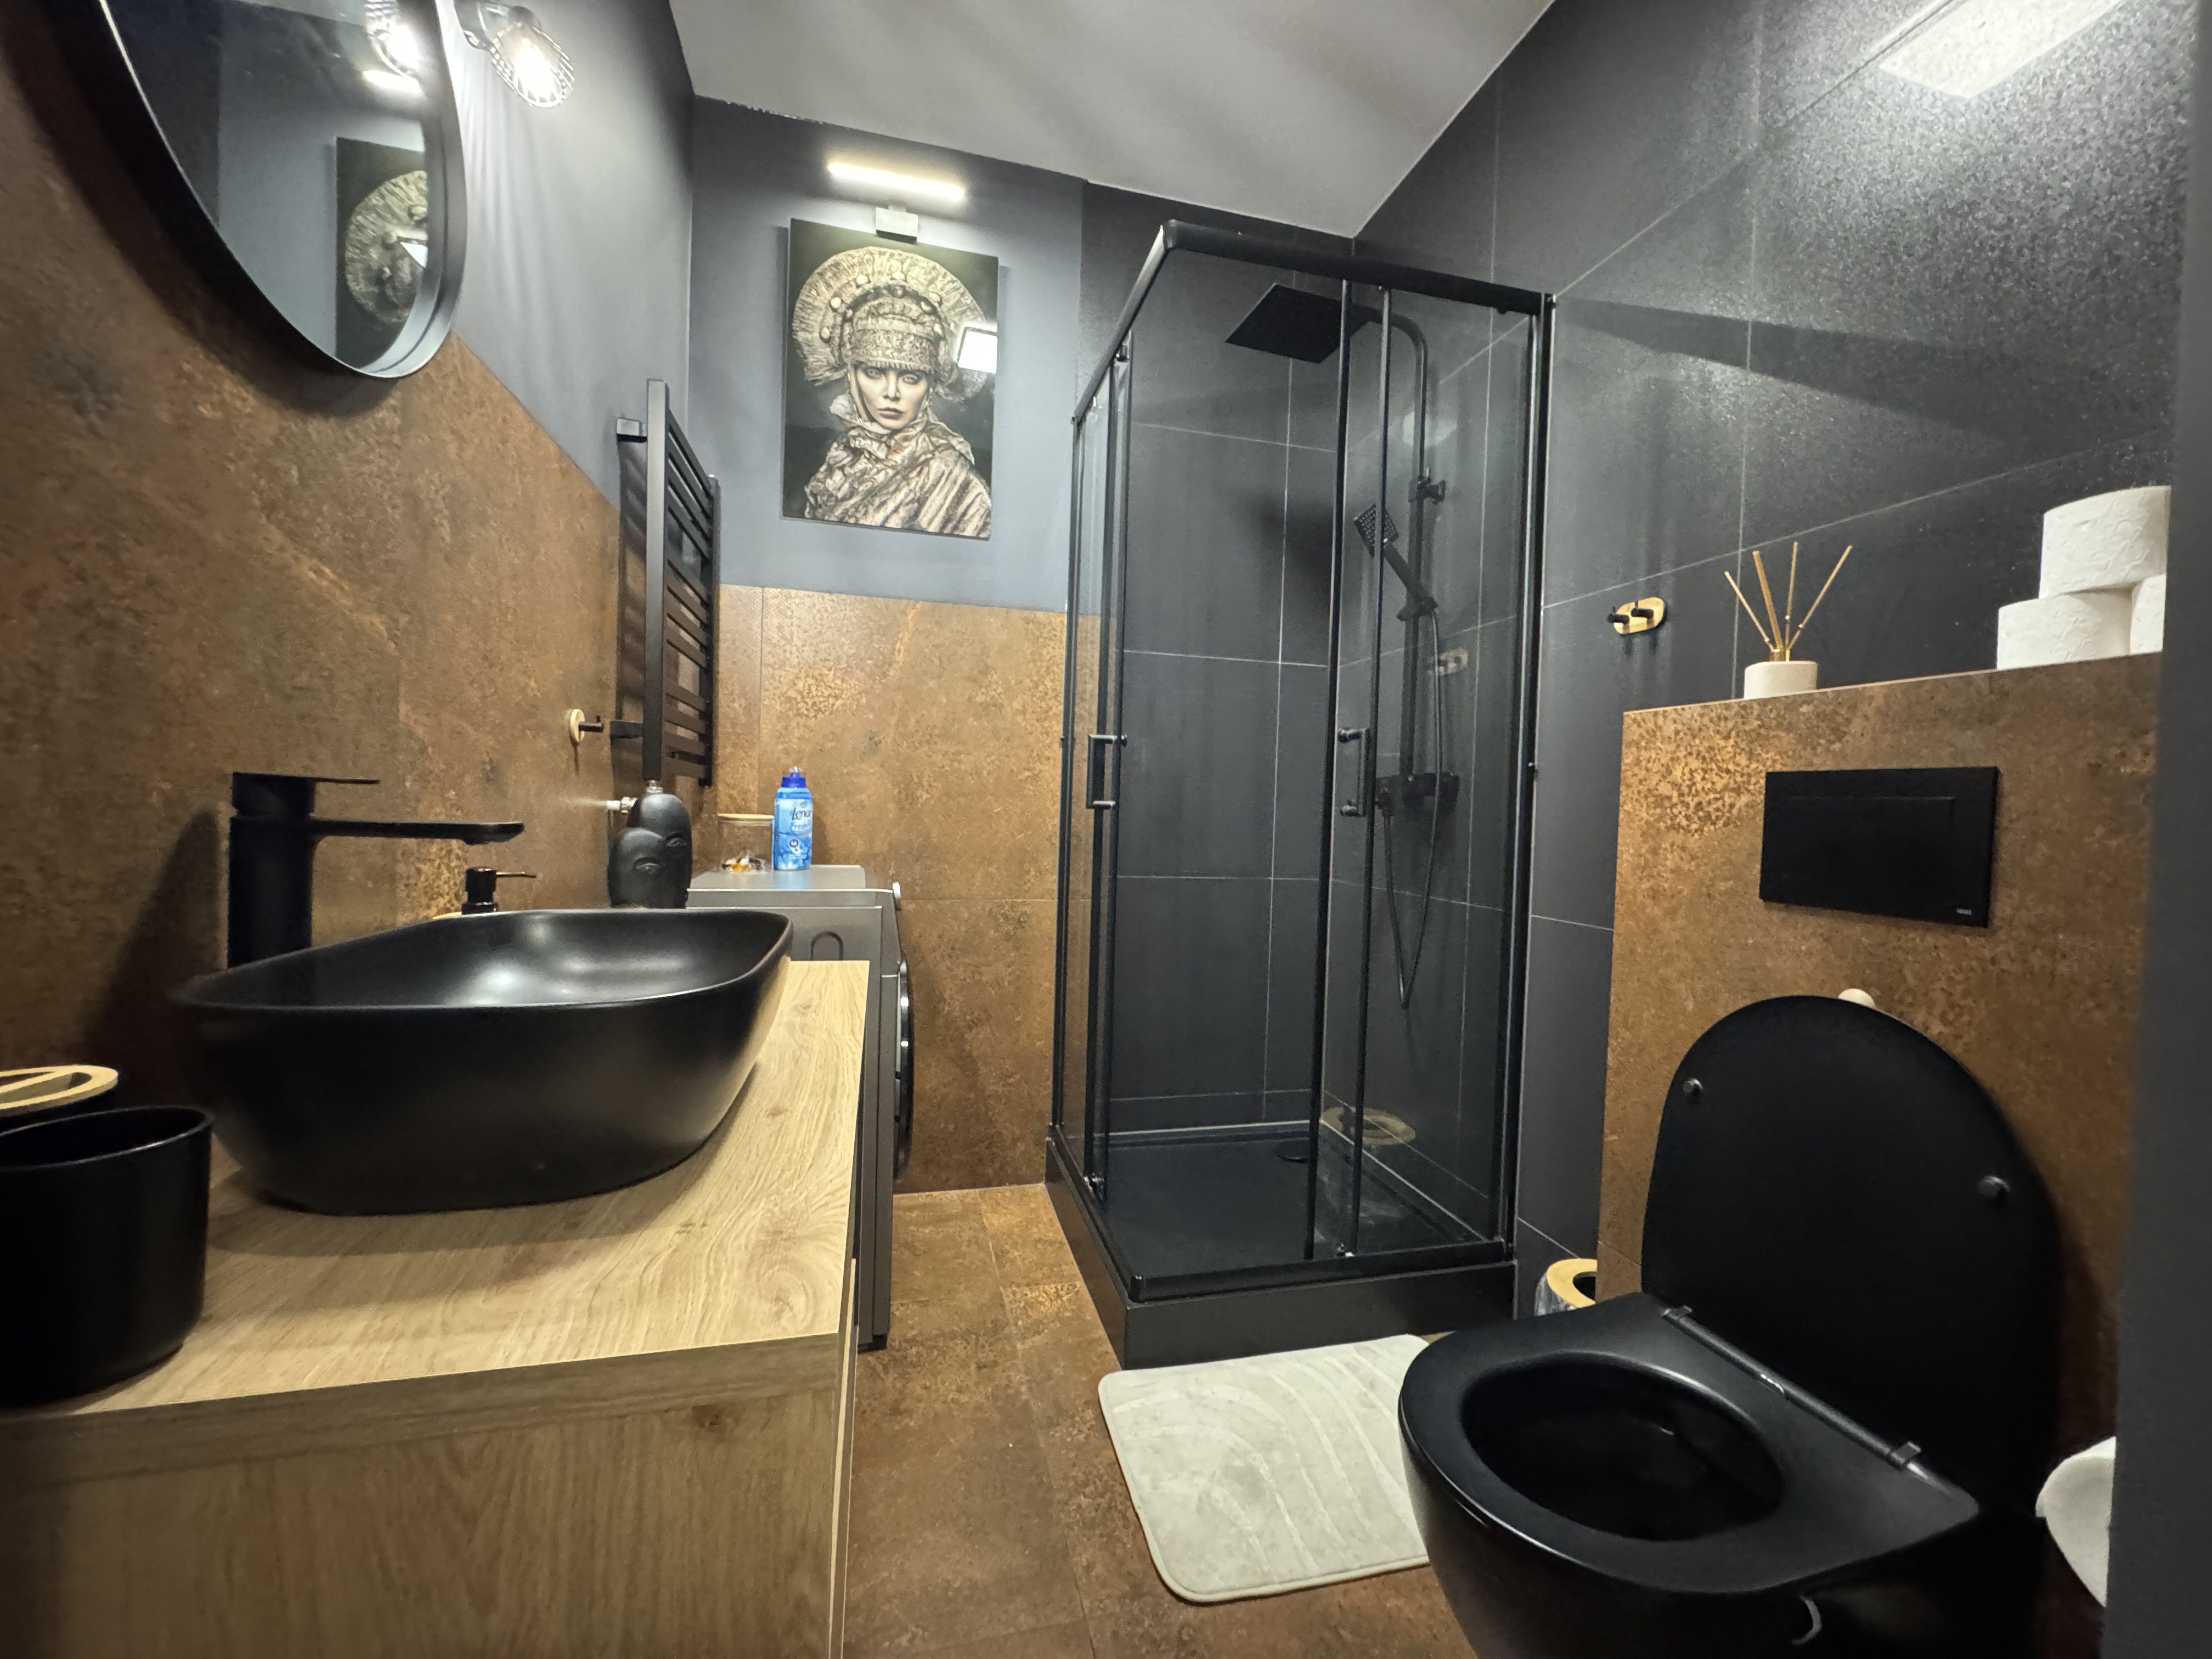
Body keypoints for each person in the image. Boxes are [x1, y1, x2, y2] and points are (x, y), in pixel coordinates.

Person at [791, 245, 993, 538]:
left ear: (929, 387)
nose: (892, 393)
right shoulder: (844, 456)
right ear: (852, 377)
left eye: (910, 378)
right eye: (874, 373)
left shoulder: (951, 478)